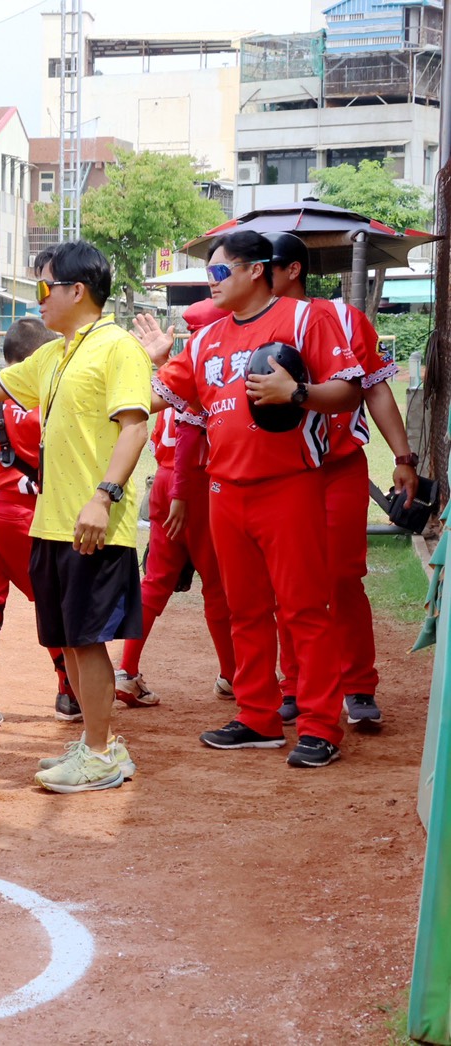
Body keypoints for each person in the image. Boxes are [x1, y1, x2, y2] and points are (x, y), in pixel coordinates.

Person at [153, 229, 363, 768]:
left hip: (289, 484)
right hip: (224, 489)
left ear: (254, 270)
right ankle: (257, 717)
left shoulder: (301, 319)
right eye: (208, 275)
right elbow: (158, 394)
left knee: (303, 609)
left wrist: (296, 393)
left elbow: (349, 388)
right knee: (243, 609)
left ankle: (319, 725)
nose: (212, 283)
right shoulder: (205, 340)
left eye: (220, 272)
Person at [0, 240, 152, 794]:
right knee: (71, 638)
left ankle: (99, 752)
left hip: (93, 521)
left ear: (79, 290)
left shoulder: (117, 347)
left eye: (45, 287)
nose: (40, 299)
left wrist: (103, 496)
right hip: (51, 522)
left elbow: (134, 426)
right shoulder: (54, 354)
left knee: (89, 638)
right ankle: (96, 743)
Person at [264, 231, 417, 728]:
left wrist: (403, 456)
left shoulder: (347, 319)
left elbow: (374, 391)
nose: (255, 273)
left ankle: (357, 685)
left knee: (342, 578)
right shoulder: (247, 324)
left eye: (266, 265)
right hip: (281, 472)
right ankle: (296, 685)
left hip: (337, 468)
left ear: (293, 270)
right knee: (287, 583)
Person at [118, 299, 237, 704]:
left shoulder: (178, 370)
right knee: (216, 586)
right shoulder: (214, 369)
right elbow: (189, 435)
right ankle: (231, 675)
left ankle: (126, 670)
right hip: (194, 487)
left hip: (165, 480)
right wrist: (183, 495)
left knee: (155, 581)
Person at [0, 316, 76, 728]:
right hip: (26, 516)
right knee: (57, 604)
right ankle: (71, 694)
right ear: (37, 359)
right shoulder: (38, 401)